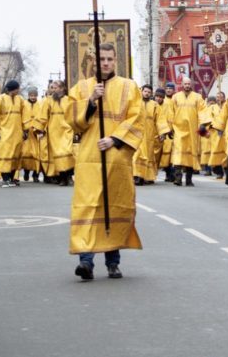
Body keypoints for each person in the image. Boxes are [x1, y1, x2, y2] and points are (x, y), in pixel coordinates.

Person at [67, 42, 144, 281]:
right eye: (102, 59)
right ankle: (86, 261)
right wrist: (91, 101)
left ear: (115, 60)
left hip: (115, 156)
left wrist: (114, 139)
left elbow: (137, 119)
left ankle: (113, 263)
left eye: (110, 59)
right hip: (89, 157)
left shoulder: (129, 87)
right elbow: (72, 120)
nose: (106, 63)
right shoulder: (81, 88)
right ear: (94, 61)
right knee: (88, 206)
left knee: (112, 206)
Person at [169, 76, 205, 186]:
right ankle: (178, 178)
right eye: (185, 84)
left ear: (191, 84)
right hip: (178, 129)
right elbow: (171, 113)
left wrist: (202, 125)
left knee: (190, 154)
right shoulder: (175, 97)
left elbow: (202, 112)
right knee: (178, 153)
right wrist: (170, 128)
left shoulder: (198, 97)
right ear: (182, 84)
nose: (187, 86)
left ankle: (189, 179)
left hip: (192, 130)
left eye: (189, 84)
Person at [38, 80, 75, 185]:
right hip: (54, 132)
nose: (53, 90)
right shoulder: (48, 101)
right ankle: (62, 178)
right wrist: (40, 129)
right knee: (58, 154)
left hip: (67, 130)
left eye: (56, 88)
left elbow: (74, 114)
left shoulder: (69, 100)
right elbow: (43, 116)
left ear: (62, 88)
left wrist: (77, 129)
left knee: (68, 152)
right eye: (53, 88)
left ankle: (69, 176)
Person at [0, 79, 26, 187]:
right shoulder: (0, 99)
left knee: (16, 155)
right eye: (17, 88)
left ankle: (11, 178)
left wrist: (25, 130)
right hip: (4, 132)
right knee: (5, 155)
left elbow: (25, 115)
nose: (18, 90)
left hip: (17, 133)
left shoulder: (20, 99)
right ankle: (5, 178)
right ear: (13, 89)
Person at [133, 83, 167, 185]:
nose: (147, 93)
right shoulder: (135, 102)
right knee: (137, 155)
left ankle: (147, 176)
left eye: (149, 92)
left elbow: (160, 119)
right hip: (137, 134)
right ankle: (137, 176)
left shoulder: (155, 105)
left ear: (151, 93)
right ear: (141, 91)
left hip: (149, 135)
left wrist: (162, 132)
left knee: (148, 156)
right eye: (145, 91)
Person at [21, 86, 43, 182]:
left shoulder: (40, 104)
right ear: (28, 95)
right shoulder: (24, 104)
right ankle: (26, 172)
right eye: (31, 95)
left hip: (36, 132)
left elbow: (42, 116)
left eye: (34, 95)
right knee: (26, 153)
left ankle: (35, 174)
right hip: (27, 132)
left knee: (37, 154)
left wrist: (39, 128)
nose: (33, 97)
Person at [157, 82, 176, 182]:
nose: (168, 90)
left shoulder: (175, 100)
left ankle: (170, 173)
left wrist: (172, 129)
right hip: (159, 130)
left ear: (173, 90)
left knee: (170, 153)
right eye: (167, 88)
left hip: (170, 130)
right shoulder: (160, 101)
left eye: (170, 88)